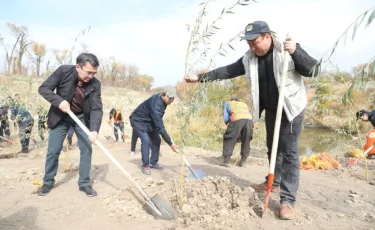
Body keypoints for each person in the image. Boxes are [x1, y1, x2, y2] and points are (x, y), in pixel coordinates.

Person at [184, 21, 319, 220]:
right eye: (248, 43)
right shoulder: (249, 59)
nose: (252, 47)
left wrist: (296, 51)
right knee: (272, 147)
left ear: (267, 36)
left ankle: (288, 201)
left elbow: (314, 70)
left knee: (288, 152)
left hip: (291, 110)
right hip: (272, 111)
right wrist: (201, 77)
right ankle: (273, 182)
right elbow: (227, 71)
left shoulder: (285, 50)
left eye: (255, 42)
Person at [37, 53, 103, 197]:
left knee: (86, 149)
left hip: (81, 117)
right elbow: (44, 89)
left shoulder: (95, 84)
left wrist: (94, 130)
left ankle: (84, 183)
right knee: (53, 150)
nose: (91, 76)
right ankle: (48, 182)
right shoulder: (63, 71)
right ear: (78, 67)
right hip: (60, 116)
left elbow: (96, 108)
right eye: (89, 72)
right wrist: (58, 101)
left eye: (94, 73)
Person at [129, 91, 178, 175]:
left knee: (156, 140)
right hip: (138, 121)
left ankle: (153, 162)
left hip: (149, 121)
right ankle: (146, 165)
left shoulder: (163, 100)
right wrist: (171, 144)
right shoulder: (156, 106)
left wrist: (170, 141)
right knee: (146, 140)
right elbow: (160, 127)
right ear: (163, 95)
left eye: (172, 99)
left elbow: (158, 122)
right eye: (170, 98)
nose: (171, 101)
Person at [221, 98, 253, 167]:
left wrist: (229, 126)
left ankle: (226, 161)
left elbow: (226, 118)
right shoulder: (244, 104)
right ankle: (243, 162)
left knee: (229, 138)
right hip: (249, 120)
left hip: (237, 119)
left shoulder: (229, 103)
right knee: (246, 140)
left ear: (231, 100)